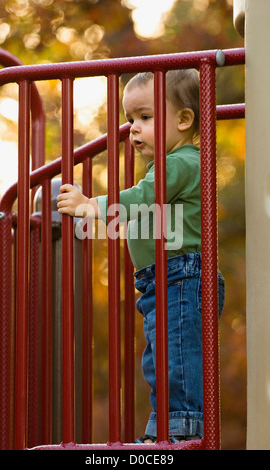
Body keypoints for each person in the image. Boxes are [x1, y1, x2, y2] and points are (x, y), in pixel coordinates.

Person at [57, 69, 225, 443]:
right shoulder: (170, 166)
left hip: (181, 277)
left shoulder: (181, 163)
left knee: (176, 358)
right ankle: (167, 428)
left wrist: (91, 206)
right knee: (160, 361)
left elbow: (143, 199)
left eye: (145, 117)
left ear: (184, 120)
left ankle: (181, 430)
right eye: (130, 119)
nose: (132, 128)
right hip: (164, 279)